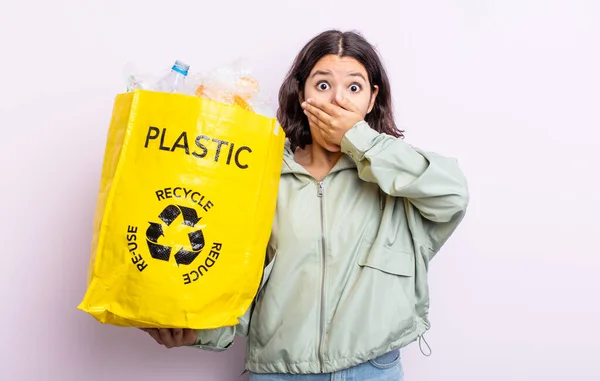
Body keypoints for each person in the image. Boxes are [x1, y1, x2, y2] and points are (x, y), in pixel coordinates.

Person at [142, 29, 469, 380]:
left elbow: (452, 194)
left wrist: (359, 141)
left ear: (372, 99)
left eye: (354, 88)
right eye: (323, 85)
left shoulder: (397, 176)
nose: (337, 101)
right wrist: (200, 334)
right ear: (301, 93)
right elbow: (237, 277)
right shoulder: (262, 174)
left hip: (372, 370)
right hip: (278, 373)